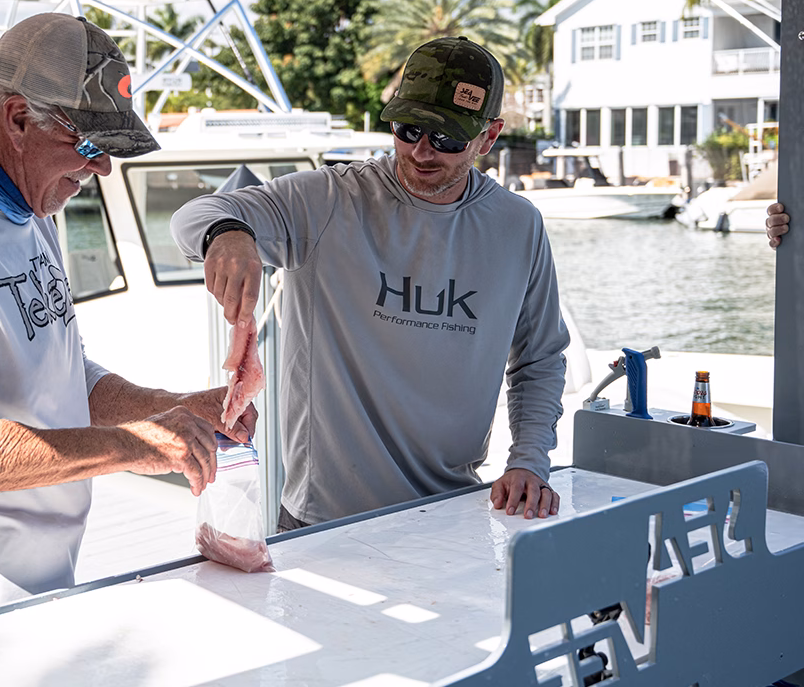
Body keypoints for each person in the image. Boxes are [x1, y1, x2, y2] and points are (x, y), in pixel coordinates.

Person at [0, 13, 255, 634]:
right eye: (90, 148)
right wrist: (137, 445)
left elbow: (64, 376)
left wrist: (178, 409)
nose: (102, 171)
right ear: (16, 119)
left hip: (41, 589)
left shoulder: (29, 209)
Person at [170, 37, 569, 533]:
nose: (422, 151)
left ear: (488, 138)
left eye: (447, 139)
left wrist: (529, 460)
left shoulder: (519, 226)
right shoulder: (328, 199)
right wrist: (227, 235)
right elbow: (194, 216)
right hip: (322, 522)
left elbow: (539, 358)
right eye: (408, 129)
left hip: (454, 512)